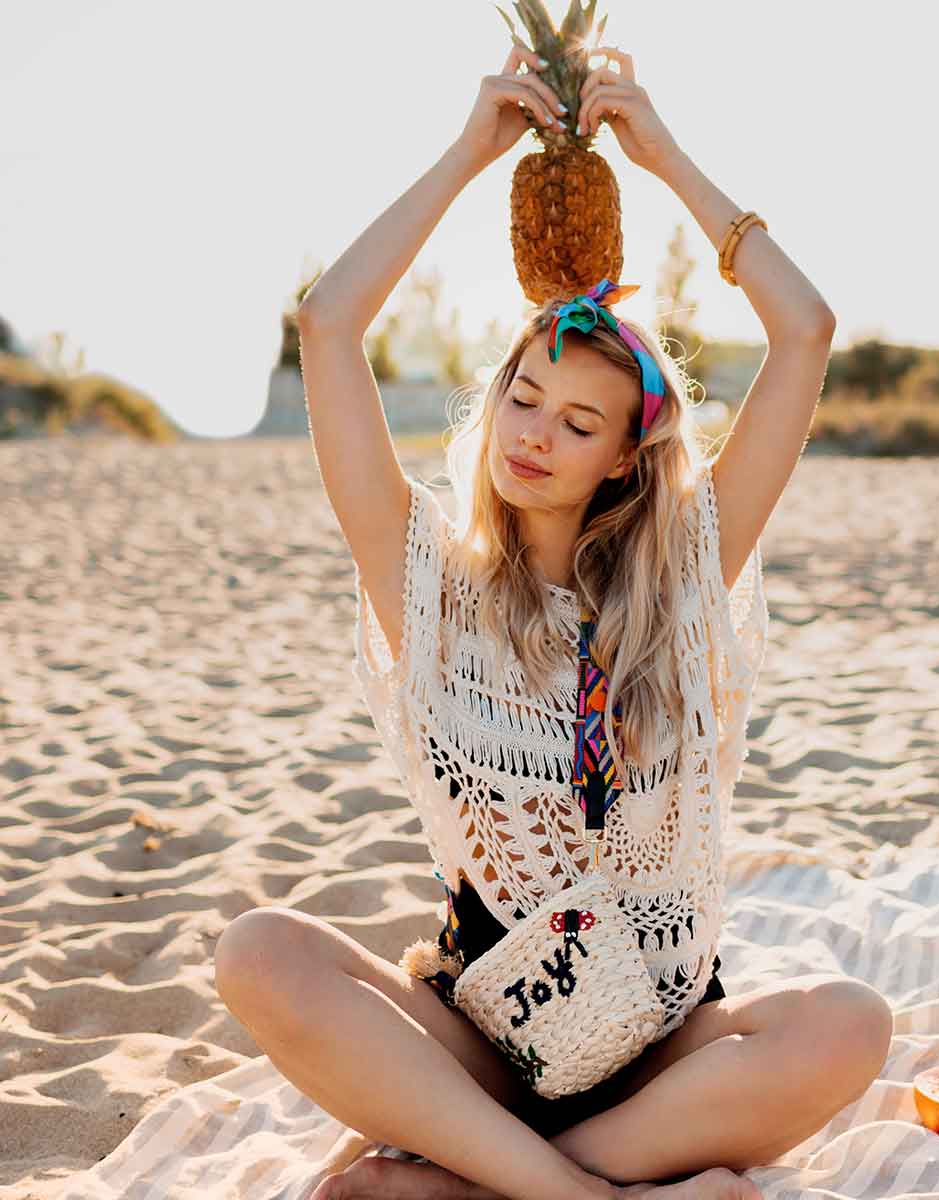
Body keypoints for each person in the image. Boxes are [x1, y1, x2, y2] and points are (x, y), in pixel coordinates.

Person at [213, 43, 887, 1200]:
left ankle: (472, 1184)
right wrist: (471, 155)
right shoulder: (425, 579)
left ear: (628, 454)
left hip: (662, 1030)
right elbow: (330, 324)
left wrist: (664, 158)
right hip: (491, 1026)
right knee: (259, 953)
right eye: (523, 398)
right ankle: (581, 1194)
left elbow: (806, 328)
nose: (535, 433)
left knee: (849, 1025)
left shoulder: (686, 579)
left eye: (581, 422)